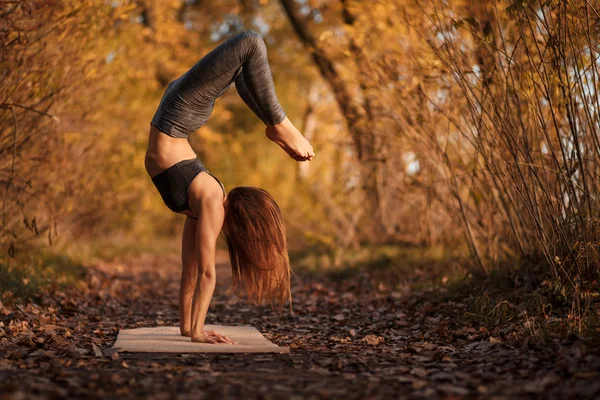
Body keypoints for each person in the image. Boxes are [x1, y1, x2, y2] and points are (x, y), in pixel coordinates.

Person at [144, 30, 314, 345]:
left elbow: (190, 273)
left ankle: (273, 124)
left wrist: (188, 329)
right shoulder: (211, 200)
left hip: (176, 115)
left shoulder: (203, 204)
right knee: (250, 43)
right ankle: (278, 125)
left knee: (242, 66)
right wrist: (198, 334)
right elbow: (209, 274)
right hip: (177, 116)